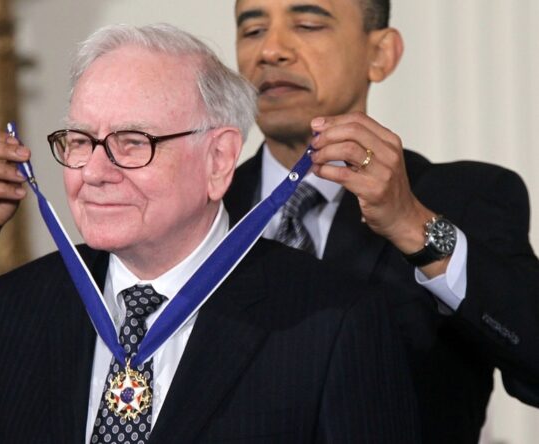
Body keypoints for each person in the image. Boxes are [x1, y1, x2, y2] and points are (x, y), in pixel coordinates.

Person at [0, 23, 420, 443]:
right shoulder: (18, 307)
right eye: (81, 140)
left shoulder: (332, 322)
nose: (95, 171)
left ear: (219, 159)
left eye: (132, 142)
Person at [224, 1, 539, 443]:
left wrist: (411, 223)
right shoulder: (200, 211)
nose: (271, 50)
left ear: (381, 54)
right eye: (252, 30)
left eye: (308, 24)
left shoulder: (464, 196)